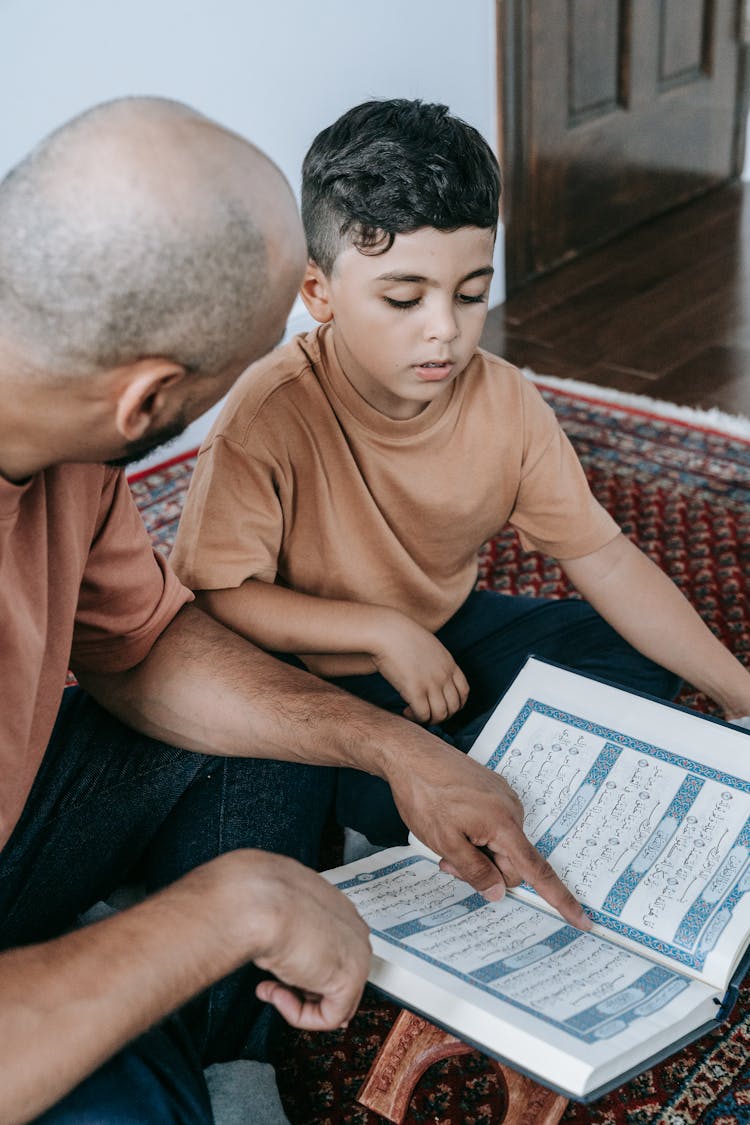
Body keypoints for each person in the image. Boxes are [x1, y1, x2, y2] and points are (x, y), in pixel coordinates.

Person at [0, 97, 587, 1125]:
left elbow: (142, 646)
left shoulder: (72, 439)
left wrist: (392, 748)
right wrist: (234, 908)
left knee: (287, 718)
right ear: (149, 404)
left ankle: (205, 1035)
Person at [171, 97, 750, 851]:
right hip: (314, 684)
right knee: (287, 782)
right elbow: (217, 598)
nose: (445, 327)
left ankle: (456, 771)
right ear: (319, 293)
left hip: (444, 635)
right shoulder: (267, 417)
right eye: (405, 298)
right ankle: (415, 787)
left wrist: (740, 694)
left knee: (633, 648)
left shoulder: (505, 400)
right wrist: (380, 632)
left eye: (471, 293)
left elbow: (605, 559)